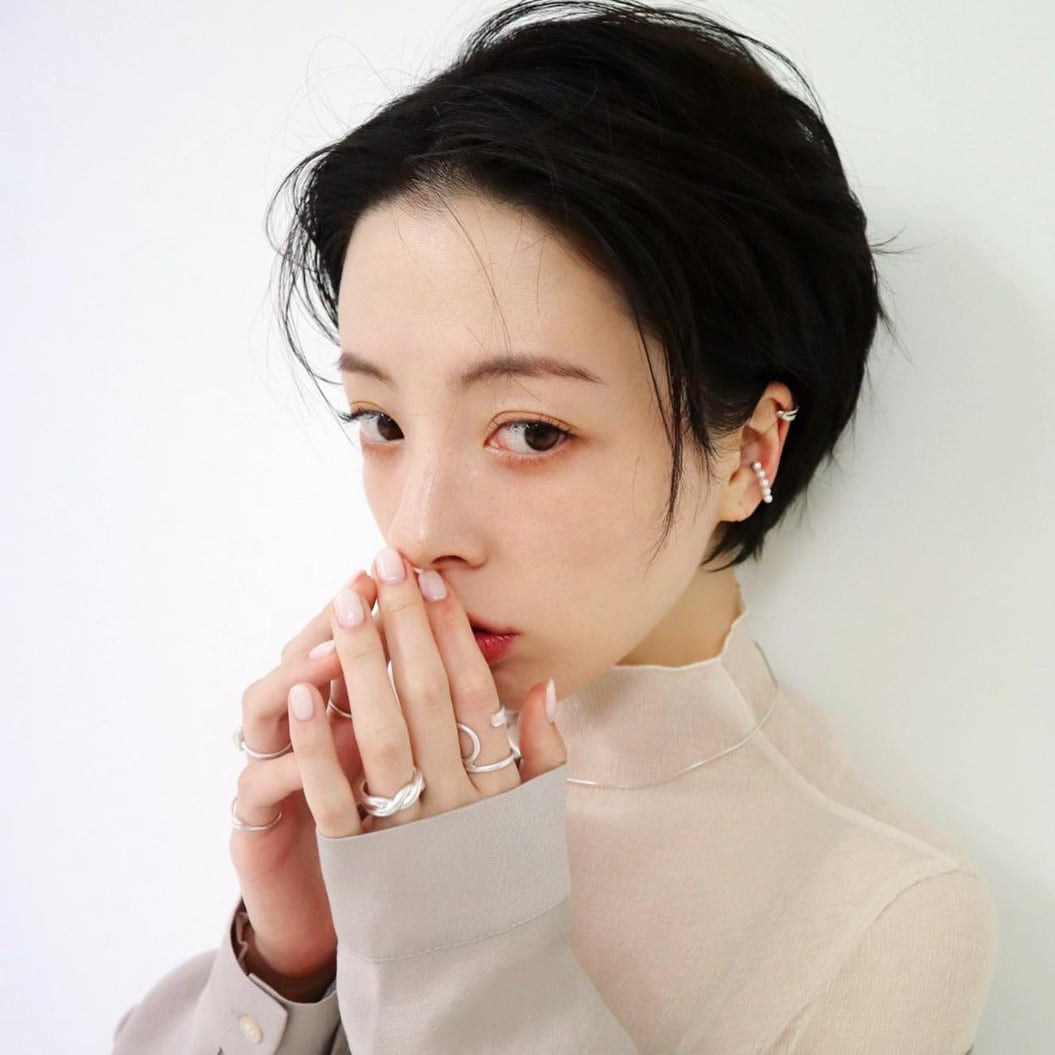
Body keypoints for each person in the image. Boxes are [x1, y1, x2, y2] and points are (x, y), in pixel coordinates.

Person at [111, 2, 997, 1052]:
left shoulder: (882, 916)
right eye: (382, 421)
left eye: (531, 430)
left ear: (747, 449)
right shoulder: (356, 799)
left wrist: (455, 945)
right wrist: (287, 959)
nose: (416, 531)